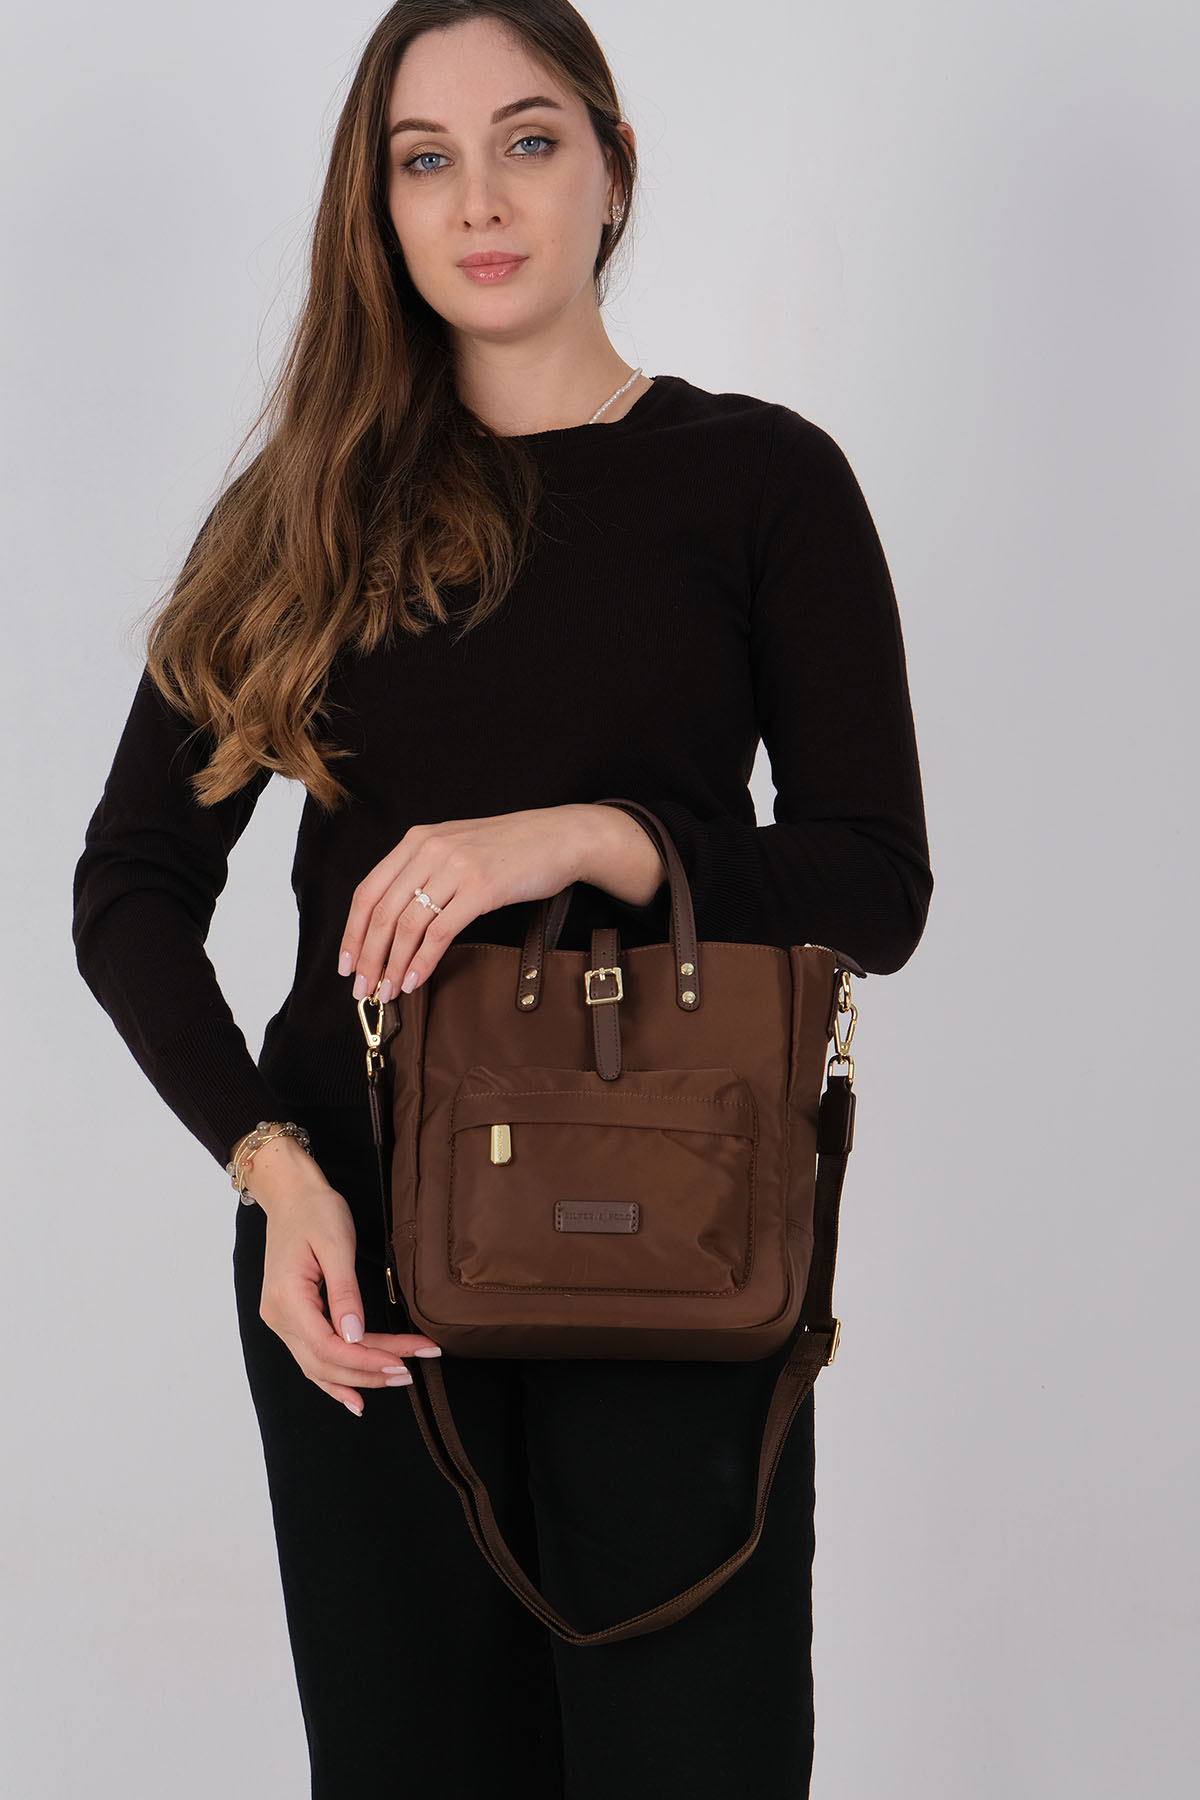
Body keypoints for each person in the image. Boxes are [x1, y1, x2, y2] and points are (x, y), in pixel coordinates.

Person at [71, 2, 933, 1794]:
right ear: (378, 207)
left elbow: (873, 880)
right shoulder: (306, 516)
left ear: (614, 168)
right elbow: (132, 885)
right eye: (426, 159)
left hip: (676, 1227)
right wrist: (268, 1166)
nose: (480, 199)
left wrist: (593, 837)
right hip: (363, 1254)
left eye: (529, 141)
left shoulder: (761, 480)